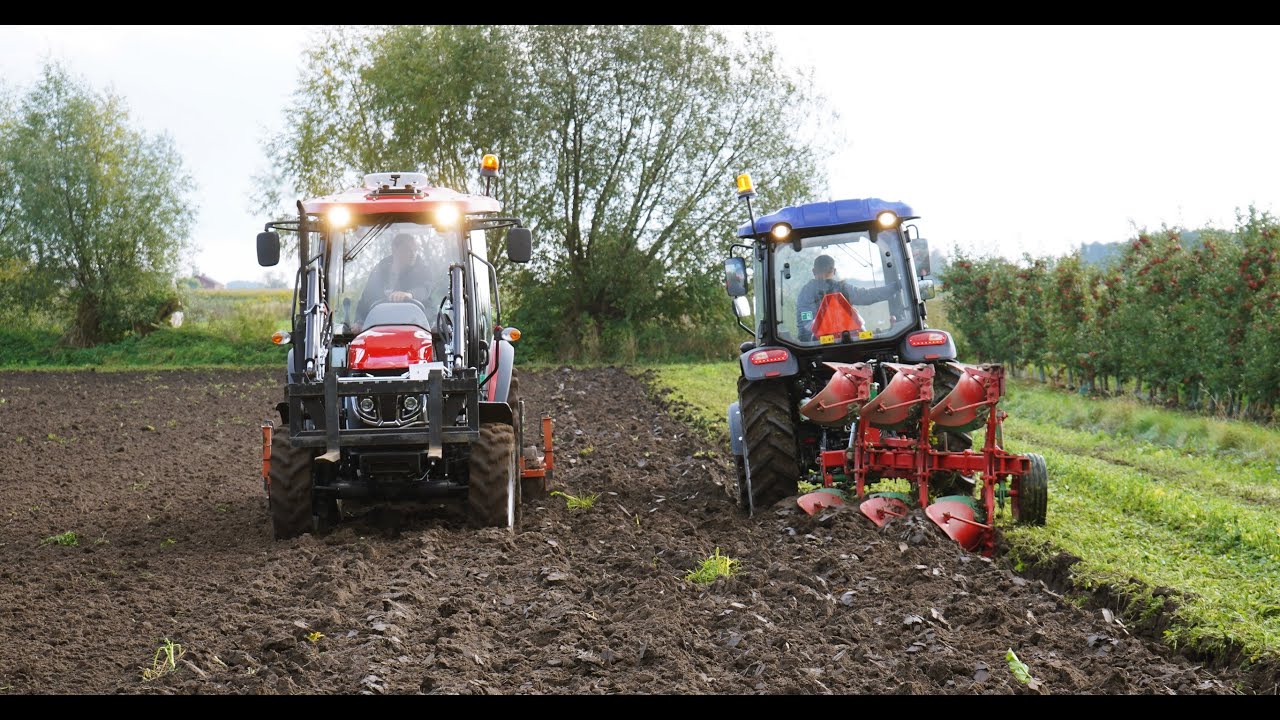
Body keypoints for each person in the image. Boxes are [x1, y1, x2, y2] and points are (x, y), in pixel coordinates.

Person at [795, 253, 899, 341]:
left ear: (813, 271)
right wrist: (896, 286)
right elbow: (868, 296)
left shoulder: (805, 293)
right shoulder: (842, 289)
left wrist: (809, 343)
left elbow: (805, 324)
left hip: (817, 346)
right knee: (857, 318)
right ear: (834, 271)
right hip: (849, 340)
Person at [354, 232, 436, 325]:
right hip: (381, 328)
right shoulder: (380, 271)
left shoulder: (422, 270)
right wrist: (359, 322)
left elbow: (426, 289)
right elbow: (367, 299)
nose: (413, 254)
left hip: (417, 328)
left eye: (415, 250)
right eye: (408, 250)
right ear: (395, 250)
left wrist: (410, 294)